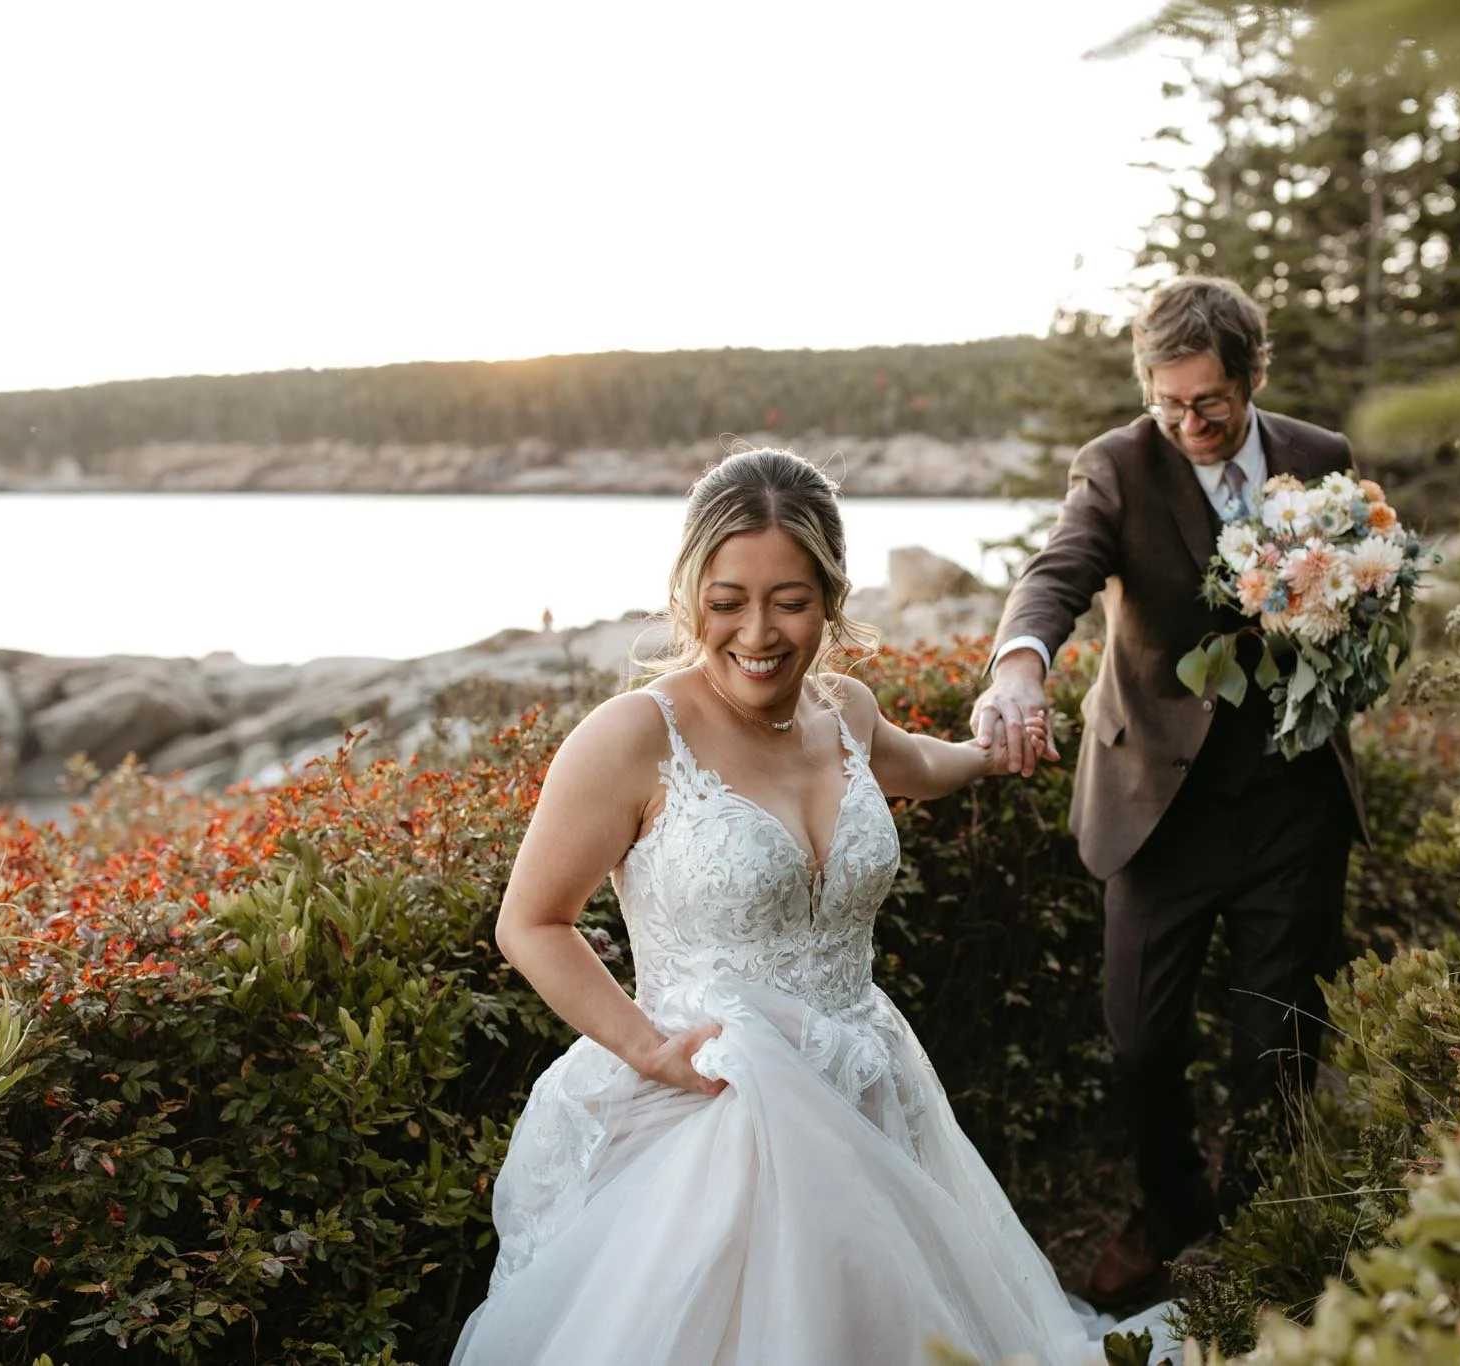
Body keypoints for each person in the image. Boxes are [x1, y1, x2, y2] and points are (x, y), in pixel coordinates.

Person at [451, 447, 1170, 1366]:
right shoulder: (630, 736)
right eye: (727, 602)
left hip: (869, 1085)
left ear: (832, 596)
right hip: (715, 1119)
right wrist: (646, 1047)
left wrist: (993, 749)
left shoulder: (847, 712)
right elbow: (530, 922)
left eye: (789, 601)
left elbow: (921, 765)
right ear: (687, 597)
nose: (757, 632)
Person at [975, 276, 1370, 1310]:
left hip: (1292, 802)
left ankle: (1254, 1233)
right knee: (1142, 1043)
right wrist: (1019, 666)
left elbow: (1363, 593)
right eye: (1169, 404)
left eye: (1211, 404)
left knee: (1277, 1042)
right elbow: (1059, 570)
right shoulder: (1115, 466)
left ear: (1252, 375)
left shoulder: (1321, 456)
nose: (1190, 425)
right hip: (1157, 805)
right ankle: (1168, 1204)